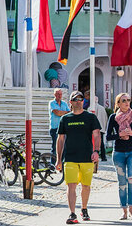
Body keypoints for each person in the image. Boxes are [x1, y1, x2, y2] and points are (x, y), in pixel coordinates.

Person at [55, 91, 101, 224]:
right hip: (70, 157)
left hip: (87, 157)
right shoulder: (65, 119)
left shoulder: (90, 117)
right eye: (75, 99)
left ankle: (84, 209)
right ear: (71, 102)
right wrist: (58, 159)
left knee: (86, 186)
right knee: (71, 186)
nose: (78, 101)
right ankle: (72, 213)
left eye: (81, 99)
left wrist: (96, 151)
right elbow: (60, 139)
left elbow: (97, 134)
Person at [106, 93, 132, 220]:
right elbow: (108, 136)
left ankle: (131, 209)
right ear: (118, 103)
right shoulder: (113, 117)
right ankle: (124, 210)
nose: (127, 103)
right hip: (118, 153)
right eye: (124, 100)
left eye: (128, 100)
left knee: (131, 179)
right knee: (122, 182)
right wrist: (119, 135)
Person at [49, 88, 70, 158]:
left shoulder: (64, 103)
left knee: (64, 147)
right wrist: (65, 113)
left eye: (60, 94)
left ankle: (62, 163)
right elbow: (57, 113)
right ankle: (53, 163)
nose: (59, 95)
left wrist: (62, 113)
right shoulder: (52, 103)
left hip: (64, 128)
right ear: (54, 95)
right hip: (55, 128)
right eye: (58, 94)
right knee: (55, 147)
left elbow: (69, 113)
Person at [92, 98, 108, 162]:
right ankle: (103, 157)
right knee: (101, 143)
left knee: (96, 142)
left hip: (95, 128)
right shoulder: (102, 108)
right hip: (102, 127)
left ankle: (96, 156)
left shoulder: (91, 108)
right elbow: (106, 118)